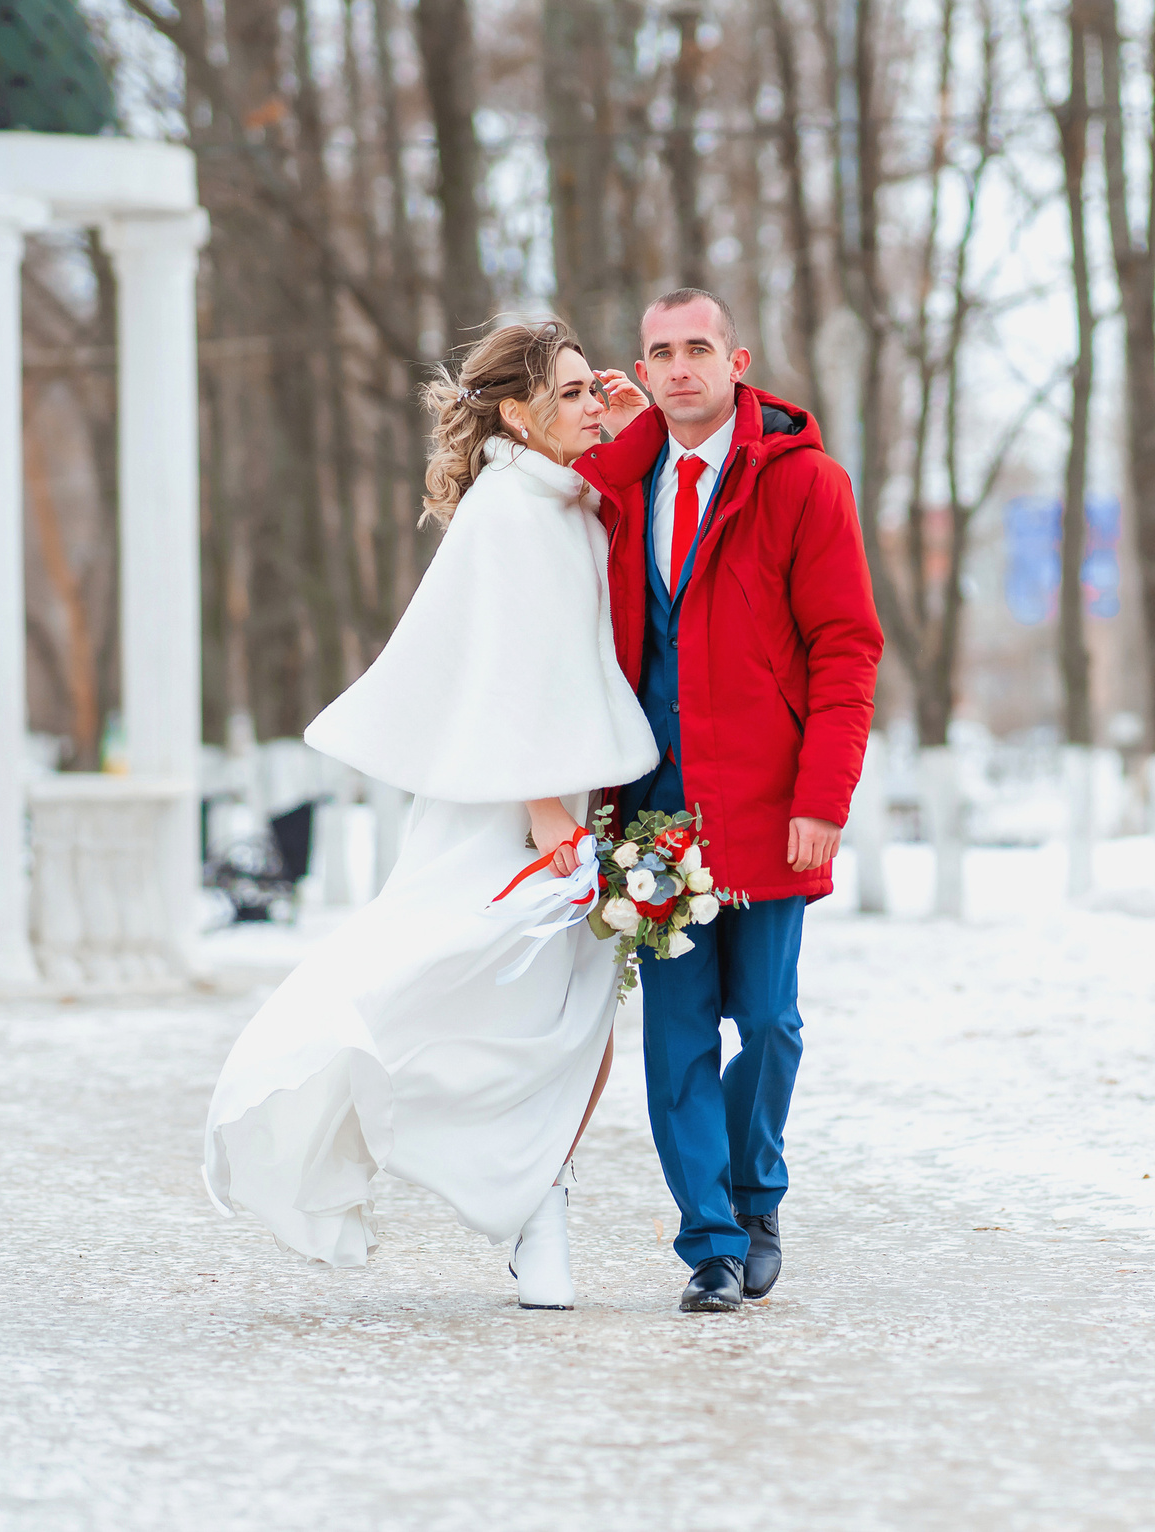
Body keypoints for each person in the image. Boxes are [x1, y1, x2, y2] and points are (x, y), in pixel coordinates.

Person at [201, 321, 658, 1312]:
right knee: (481, 995)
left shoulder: (563, 497)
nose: (592, 403)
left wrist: (634, 421)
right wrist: (549, 819)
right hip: (510, 808)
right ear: (514, 412)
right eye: (573, 391)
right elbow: (510, 676)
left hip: (564, 798)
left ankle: (539, 1198)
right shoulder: (511, 512)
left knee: (569, 1014)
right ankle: (520, 1198)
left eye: (595, 389)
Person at [580, 288, 883, 1314]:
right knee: (675, 1035)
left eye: (697, 348)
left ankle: (756, 1194)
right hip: (654, 811)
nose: (678, 368)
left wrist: (823, 794)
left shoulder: (806, 485)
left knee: (769, 1020)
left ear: (737, 360)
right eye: (658, 351)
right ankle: (709, 1243)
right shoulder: (616, 491)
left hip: (767, 803)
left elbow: (847, 647)